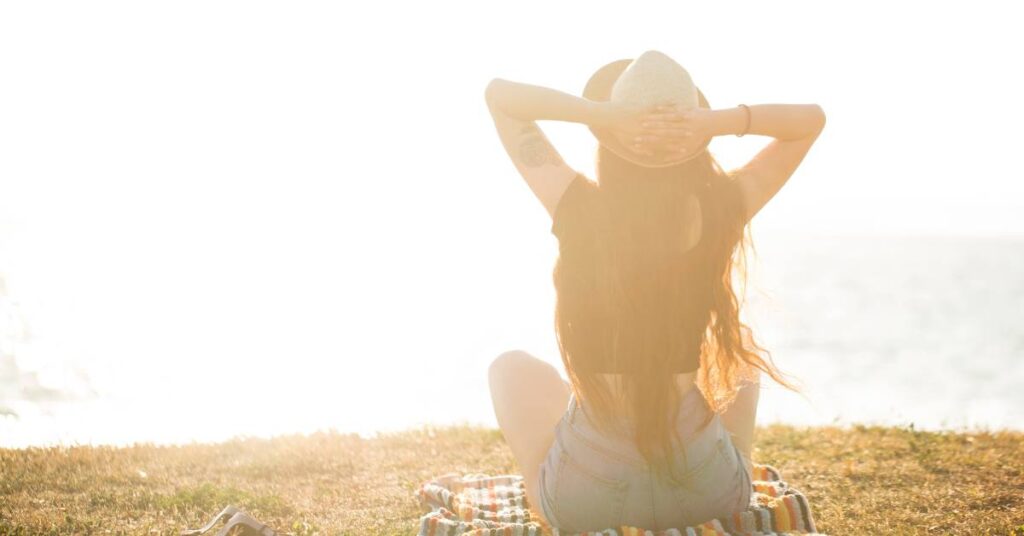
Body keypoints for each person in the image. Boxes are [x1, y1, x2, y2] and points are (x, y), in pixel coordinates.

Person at [484, 50, 825, 533]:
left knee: (511, 368)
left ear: (609, 140)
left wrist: (603, 115)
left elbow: (501, 97)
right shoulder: (724, 205)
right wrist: (714, 122)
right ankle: (737, 468)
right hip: (706, 492)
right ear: (696, 142)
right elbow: (810, 122)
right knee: (741, 360)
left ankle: (547, 499)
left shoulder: (575, 203)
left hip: (589, 493)